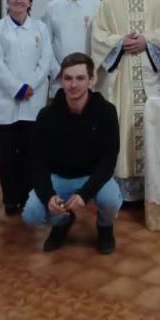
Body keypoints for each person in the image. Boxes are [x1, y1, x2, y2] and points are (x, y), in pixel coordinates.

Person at [91, 0, 160, 201]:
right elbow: (98, 36)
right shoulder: (110, 0)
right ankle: (124, 192)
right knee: (122, 128)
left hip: (153, 80)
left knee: (153, 129)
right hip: (122, 81)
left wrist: (146, 41)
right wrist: (119, 43)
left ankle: (154, 188)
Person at [23, 53, 122, 255]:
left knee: (112, 200)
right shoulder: (46, 115)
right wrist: (48, 195)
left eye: (80, 78)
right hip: (59, 178)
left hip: (92, 177)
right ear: (61, 80)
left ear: (91, 80)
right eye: (68, 78)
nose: (73, 85)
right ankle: (62, 221)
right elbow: (38, 163)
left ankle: (105, 227)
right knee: (31, 215)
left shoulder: (107, 112)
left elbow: (109, 160)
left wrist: (84, 194)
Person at [0, 0, 53, 216]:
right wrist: (17, 88)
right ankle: (10, 199)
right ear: (7, 1)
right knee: (7, 154)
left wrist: (31, 85)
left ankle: (29, 196)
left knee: (29, 152)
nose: (18, 1)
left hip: (33, 100)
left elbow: (45, 60)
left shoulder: (40, 28)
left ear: (30, 2)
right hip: (5, 101)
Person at [43, 0, 101, 97]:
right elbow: (46, 44)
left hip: (88, 78)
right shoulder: (52, 7)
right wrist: (57, 70)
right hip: (60, 78)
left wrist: (91, 72)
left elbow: (101, 44)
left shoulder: (98, 6)